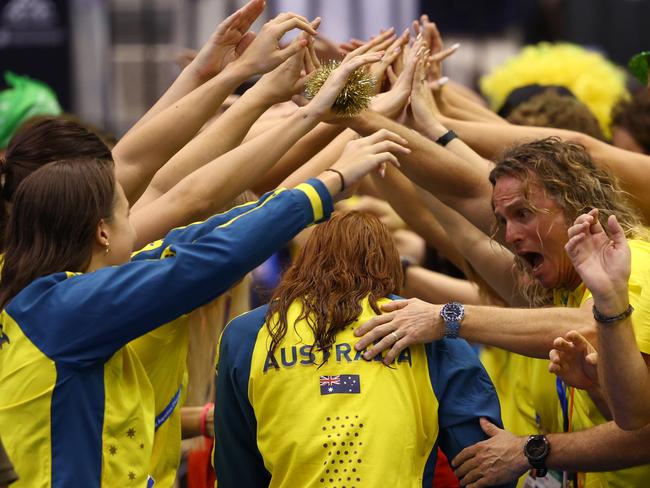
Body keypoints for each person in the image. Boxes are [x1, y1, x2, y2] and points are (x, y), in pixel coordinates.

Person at [0, 61, 407, 487]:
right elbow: (208, 254)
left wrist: (311, 129)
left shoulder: (49, 294)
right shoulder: (68, 308)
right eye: (127, 211)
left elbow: (202, 233)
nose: (138, 221)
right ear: (102, 231)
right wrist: (331, 176)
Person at [214, 211, 514, 488]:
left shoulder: (246, 335)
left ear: (306, 260)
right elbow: (484, 462)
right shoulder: (428, 328)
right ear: (390, 264)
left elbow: (235, 467)